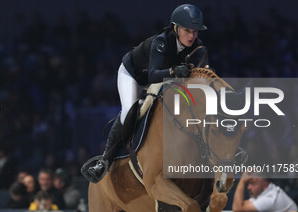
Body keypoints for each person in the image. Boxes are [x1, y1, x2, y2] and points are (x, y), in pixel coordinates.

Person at [82, 4, 209, 183]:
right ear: (176, 28)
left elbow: (202, 71)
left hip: (163, 78)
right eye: (187, 30)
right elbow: (152, 75)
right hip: (133, 75)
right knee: (130, 109)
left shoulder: (198, 46)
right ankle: (104, 161)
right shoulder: (162, 42)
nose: (192, 36)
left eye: (195, 31)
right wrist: (173, 71)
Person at [233, 172, 298, 212]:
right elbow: (240, 204)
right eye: (249, 183)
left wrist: (242, 181)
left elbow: (237, 209)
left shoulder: (271, 198)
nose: (248, 187)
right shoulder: (263, 193)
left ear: (265, 185)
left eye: (253, 183)